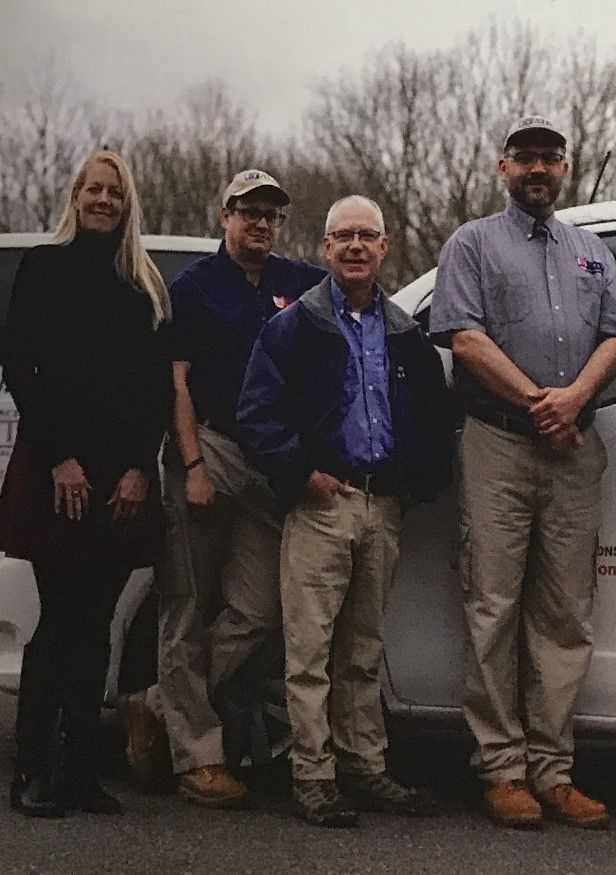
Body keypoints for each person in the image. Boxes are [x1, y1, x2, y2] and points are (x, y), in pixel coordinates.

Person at [429, 115, 616, 829]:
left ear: (565, 168)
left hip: (574, 445)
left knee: (566, 612)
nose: (538, 168)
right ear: (502, 167)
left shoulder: (592, 252)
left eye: (550, 156)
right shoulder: (472, 244)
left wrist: (573, 399)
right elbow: (462, 335)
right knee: (492, 605)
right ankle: (501, 768)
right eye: (526, 157)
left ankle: (552, 769)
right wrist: (538, 401)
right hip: (499, 443)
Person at [237, 195, 454, 827]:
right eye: (343, 237)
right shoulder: (291, 327)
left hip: (381, 504)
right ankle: (313, 776)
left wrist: (413, 483)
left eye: (368, 236)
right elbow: (256, 416)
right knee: (308, 653)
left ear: (384, 249)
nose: (356, 247)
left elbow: (437, 420)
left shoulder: (406, 332)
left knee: (362, 651)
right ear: (325, 249)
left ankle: (367, 768)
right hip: (319, 505)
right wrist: (300, 471)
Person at [121, 170, 326, 808]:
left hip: (270, 467)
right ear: (225, 216)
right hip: (209, 449)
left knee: (260, 613)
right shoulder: (195, 288)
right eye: (248, 212)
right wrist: (191, 466)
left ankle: (157, 702)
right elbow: (175, 384)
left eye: (270, 214)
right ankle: (198, 759)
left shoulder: (298, 284)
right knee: (185, 605)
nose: (260, 223)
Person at [0, 150, 172, 817]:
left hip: (120, 480)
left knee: (97, 621)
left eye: (115, 192)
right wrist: (60, 456)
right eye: (93, 189)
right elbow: (22, 370)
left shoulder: (143, 283)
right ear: (75, 196)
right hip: (55, 469)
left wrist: (137, 467)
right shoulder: (44, 268)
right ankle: (33, 770)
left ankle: (77, 770)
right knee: (62, 619)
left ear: (128, 204)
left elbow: (155, 389)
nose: (103, 199)